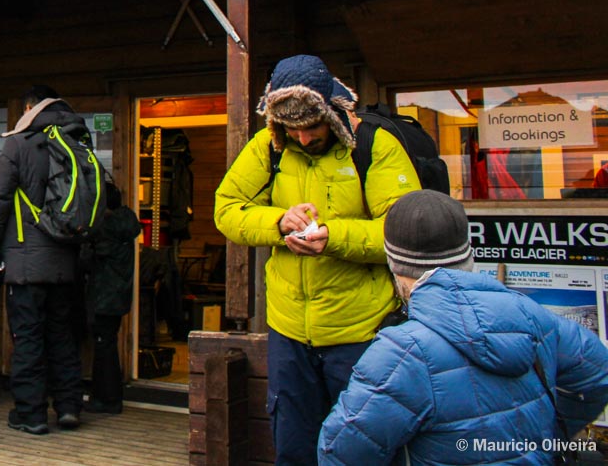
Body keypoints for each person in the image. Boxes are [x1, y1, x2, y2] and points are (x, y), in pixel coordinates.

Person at [214, 54, 419, 466]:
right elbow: (227, 208)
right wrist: (277, 222)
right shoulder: (267, 147)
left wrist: (335, 237)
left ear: (334, 113)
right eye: (292, 130)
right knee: (293, 448)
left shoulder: (375, 146)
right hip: (289, 332)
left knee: (364, 449)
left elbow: (404, 232)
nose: (303, 139)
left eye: (311, 128)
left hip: (361, 331)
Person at [319, 190, 608, 464]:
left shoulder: (400, 352)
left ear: (393, 262)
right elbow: (597, 374)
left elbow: (341, 452)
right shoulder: (532, 315)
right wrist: (546, 438)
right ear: (468, 254)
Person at [0, 85, 85, 435]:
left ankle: (31, 414)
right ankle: (69, 408)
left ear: (28, 108)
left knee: (28, 339)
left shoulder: (18, 145)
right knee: (62, 337)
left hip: (25, 267)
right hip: (65, 264)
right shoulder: (75, 143)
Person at [82, 184, 141, 415]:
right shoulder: (126, 224)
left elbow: (87, 261)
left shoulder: (104, 231)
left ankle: (107, 399)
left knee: (103, 347)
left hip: (103, 296)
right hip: (119, 295)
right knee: (108, 345)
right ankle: (108, 397)